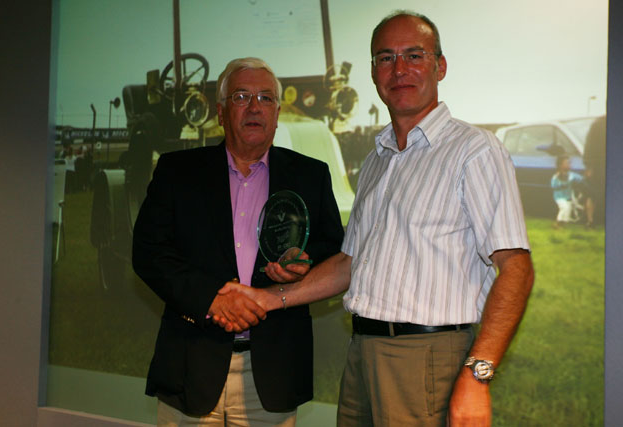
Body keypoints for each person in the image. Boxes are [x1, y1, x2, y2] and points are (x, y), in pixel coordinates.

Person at [216, 11, 534, 426]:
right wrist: (266, 298)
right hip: (362, 353)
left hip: (426, 357)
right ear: (373, 72)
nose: (399, 69)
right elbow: (349, 265)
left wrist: (478, 374)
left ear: (440, 66)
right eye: (386, 58)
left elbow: (516, 268)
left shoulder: (474, 151)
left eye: (414, 55)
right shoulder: (377, 160)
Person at [132, 57, 344, 426]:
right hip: (191, 367)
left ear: (277, 113)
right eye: (241, 96)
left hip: (274, 374)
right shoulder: (178, 172)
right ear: (220, 112)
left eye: (266, 98)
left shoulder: (311, 175)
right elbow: (149, 253)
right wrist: (212, 299)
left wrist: (302, 264)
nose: (254, 107)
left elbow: (333, 254)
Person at [551, 154, 585, 228]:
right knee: (564, 207)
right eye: (567, 163)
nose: (569, 165)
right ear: (560, 165)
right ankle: (558, 222)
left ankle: (563, 224)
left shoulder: (571, 175)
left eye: (569, 163)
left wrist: (585, 177)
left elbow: (581, 179)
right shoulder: (556, 176)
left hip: (568, 197)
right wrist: (561, 185)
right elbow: (553, 185)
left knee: (568, 209)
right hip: (559, 197)